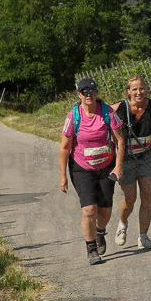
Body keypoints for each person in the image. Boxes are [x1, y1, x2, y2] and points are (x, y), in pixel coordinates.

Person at [59, 77, 125, 265]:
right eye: (84, 92)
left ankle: (100, 231)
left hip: (106, 166)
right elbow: (64, 148)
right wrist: (63, 176)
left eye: (91, 91)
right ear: (79, 94)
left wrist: (118, 166)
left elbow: (120, 140)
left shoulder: (107, 113)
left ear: (96, 93)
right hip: (81, 168)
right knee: (89, 209)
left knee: (105, 211)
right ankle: (91, 249)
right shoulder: (73, 116)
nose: (88, 95)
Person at [112, 75, 151, 250]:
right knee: (130, 199)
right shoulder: (118, 108)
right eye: (134, 89)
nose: (138, 92)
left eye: (141, 88)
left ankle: (143, 237)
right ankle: (122, 224)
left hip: (147, 156)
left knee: (147, 195)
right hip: (126, 158)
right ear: (128, 91)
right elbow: (105, 122)